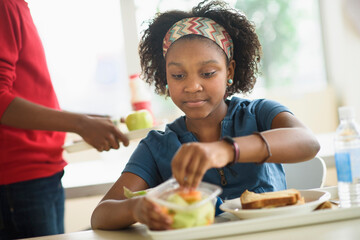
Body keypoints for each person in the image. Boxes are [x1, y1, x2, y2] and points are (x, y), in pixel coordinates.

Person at [91, 0, 320, 231]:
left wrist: (227, 149)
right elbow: (101, 215)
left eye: (208, 73)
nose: (192, 86)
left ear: (229, 71)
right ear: (165, 78)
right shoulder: (156, 146)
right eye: (178, 75)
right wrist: (137, 208)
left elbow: (308, 142)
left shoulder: (259, 114)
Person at [0, 0, 129, 239]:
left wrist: (84, 120)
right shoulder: (5, 6)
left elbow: (25, 93)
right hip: (20, 178)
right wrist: (79, 124)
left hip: (37, 172)